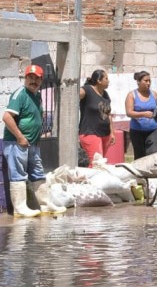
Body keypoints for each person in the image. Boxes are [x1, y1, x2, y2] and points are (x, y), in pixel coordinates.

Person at [2, 65, 65, 216]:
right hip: (17, 143)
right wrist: (20, 137)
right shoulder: (20, 94)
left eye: (37, 78)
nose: (34, 81)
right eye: (31, 77)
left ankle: (45, 205)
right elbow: (7, 117)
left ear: (42, 80)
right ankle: (19, 209)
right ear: (25, 78)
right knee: (18, 174)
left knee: (38, 174)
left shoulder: (37, 95)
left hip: (32, 143)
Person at [79, 69, 115, 167]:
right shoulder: (87, 90)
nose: (108, 81)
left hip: (105, 134)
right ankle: (90, 181)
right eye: (106, 78)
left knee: (100, 163)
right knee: (96, 164)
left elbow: (108, 114)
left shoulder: (105, 94)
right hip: (90, 133)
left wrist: (112, 133)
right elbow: (76, 94)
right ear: (99, 80)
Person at [125, 70, 157, 160]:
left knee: (152, 154)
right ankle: (139, 174)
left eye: (149, 81)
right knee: (139, 156)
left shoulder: (154, 94)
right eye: (146, 81)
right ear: (138, 82)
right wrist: (143, 114)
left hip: (153, 129)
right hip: (137, 130)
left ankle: (150, 173)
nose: (148, 83)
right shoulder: (132, 95)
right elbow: (129, 113)